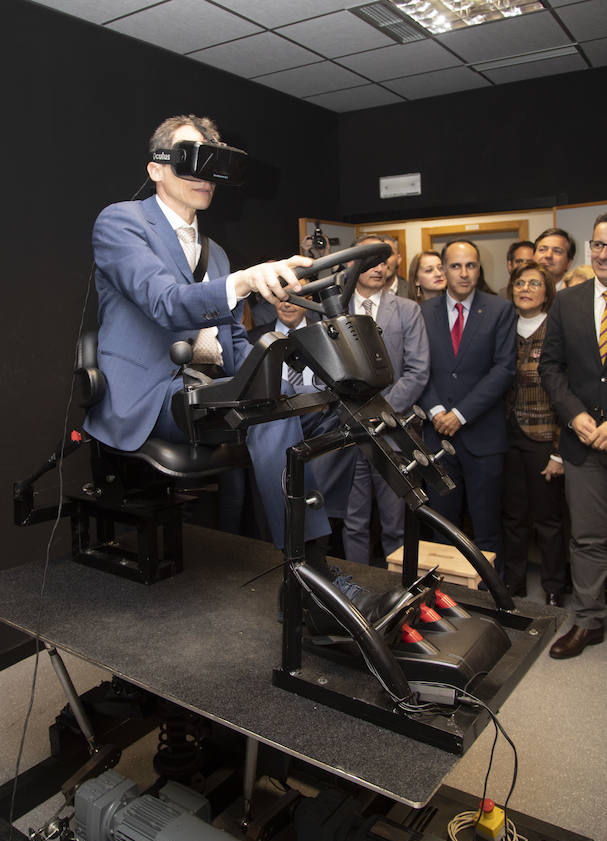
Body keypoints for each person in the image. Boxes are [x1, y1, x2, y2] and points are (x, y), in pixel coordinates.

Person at [84, 113, 402, 609]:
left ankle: (329, 546)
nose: (203, 173)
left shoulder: (217, 254)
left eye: (213, 162)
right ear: (155, 169)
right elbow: (164, 302)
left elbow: (235, 344)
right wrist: (250, 280)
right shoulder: (122, 222)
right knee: (268, 415)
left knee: (329, 401)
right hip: (153, 396)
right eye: (191, 158)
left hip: (207, 393)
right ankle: (310, 579)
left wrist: (294, 367)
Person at [418, 240, 517, 573]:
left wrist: (459, 415)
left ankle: (492, 598)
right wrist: (435, 412)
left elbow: (503, 369)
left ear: (479, 269)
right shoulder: (422, 311)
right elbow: (419, 368)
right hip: (436, 439)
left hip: (483, 438)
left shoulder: (500, 309)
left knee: (486, 527)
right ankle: (441, 600)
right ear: (444, 270)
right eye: (456, 266)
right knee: (441, 528)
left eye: (471, 265)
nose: (464, 273)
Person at [539, 212, 607, 659]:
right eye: (599, 245)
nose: (603, 254)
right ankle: (588, 620)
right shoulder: (569, 301)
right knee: (586, 537)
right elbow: (550, 366)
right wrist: (574, 414)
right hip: (582, 442)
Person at [342, 236, 430, 564]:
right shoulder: (335, 309)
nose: (379, 267)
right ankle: (356, 597)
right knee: (354, 522)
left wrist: (382, 413)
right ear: (352, 262)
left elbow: (418, 371)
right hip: (350, 433)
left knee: (395, 522)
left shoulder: (407, 310)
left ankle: (398, 598)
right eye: (371, 260)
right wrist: (357, 415)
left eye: (384, 260)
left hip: (393, 433)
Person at [502, 262, 566, 606]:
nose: (525, 288)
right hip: (507, 434)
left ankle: (555, 585)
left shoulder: (557, 328)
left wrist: (560, 451)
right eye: (520, 282)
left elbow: (566, 393)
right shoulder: (504, 326)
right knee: (513, 514)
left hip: (544, 437)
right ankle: (514, 580)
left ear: (547, 292)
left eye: (534, 283)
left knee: (548, 518)